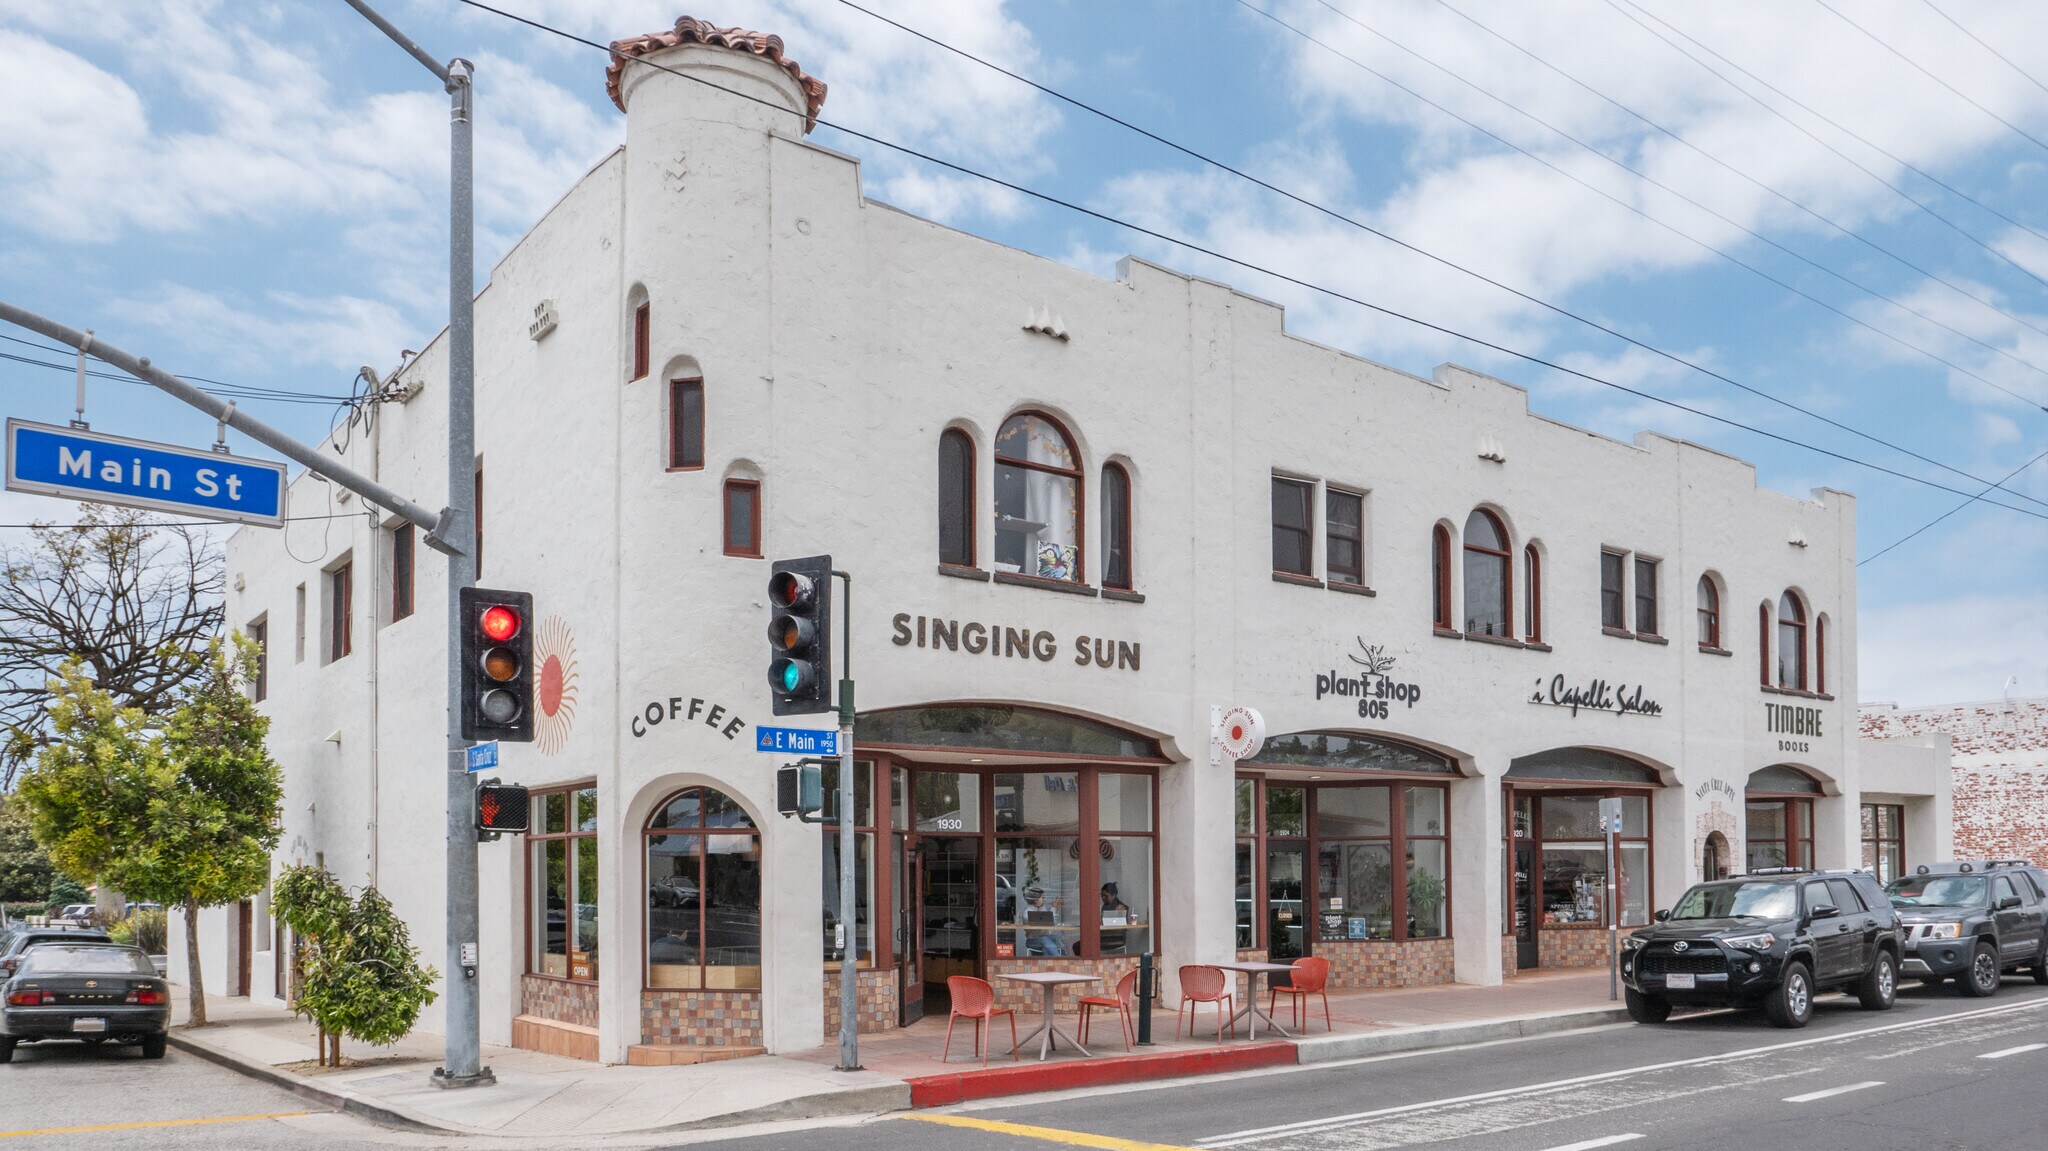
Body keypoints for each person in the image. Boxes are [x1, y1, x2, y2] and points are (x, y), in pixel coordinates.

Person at [1022, 886, 1067, 956]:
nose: (1044, 899)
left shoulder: (1042, 908)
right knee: (1045, 939)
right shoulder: (1027, 913)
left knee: (1058, 938)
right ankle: (1058, 959)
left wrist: (1054, 909)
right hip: (1032, 941)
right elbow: (1047, 924)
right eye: (1042, 898)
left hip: (1045, 939)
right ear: (1035, 900)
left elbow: (1050, 925)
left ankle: (1064, 959)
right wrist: (1054, 908)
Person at [1098, 882, 1132, 953]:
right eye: (1101, 895)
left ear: (1113, 895)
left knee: (1082, 945)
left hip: (1113, 939)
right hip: (1104, 936)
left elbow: (1120, 928)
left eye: (1106, 896)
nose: (1103, 898)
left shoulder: (1119, 907)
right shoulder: (1105, 906)